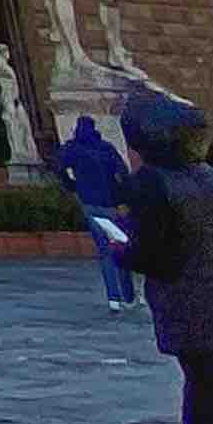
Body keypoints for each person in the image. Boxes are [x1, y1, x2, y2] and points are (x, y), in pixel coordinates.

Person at [118, 83, 213, 424]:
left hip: (186, 297)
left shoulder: (153, 183)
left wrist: (122, 253)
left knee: (205, 382)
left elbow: (157, 255)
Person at [58, 110, 135, 311]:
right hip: (111, 203)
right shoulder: (106, 148)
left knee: (105, 252)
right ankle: (129, 295)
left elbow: (58, 168)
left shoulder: (73, 149)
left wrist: (71, 185)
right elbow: (123, 173)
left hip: (89, 203)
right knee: (120, 247)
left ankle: (114, 298)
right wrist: (124, 197)